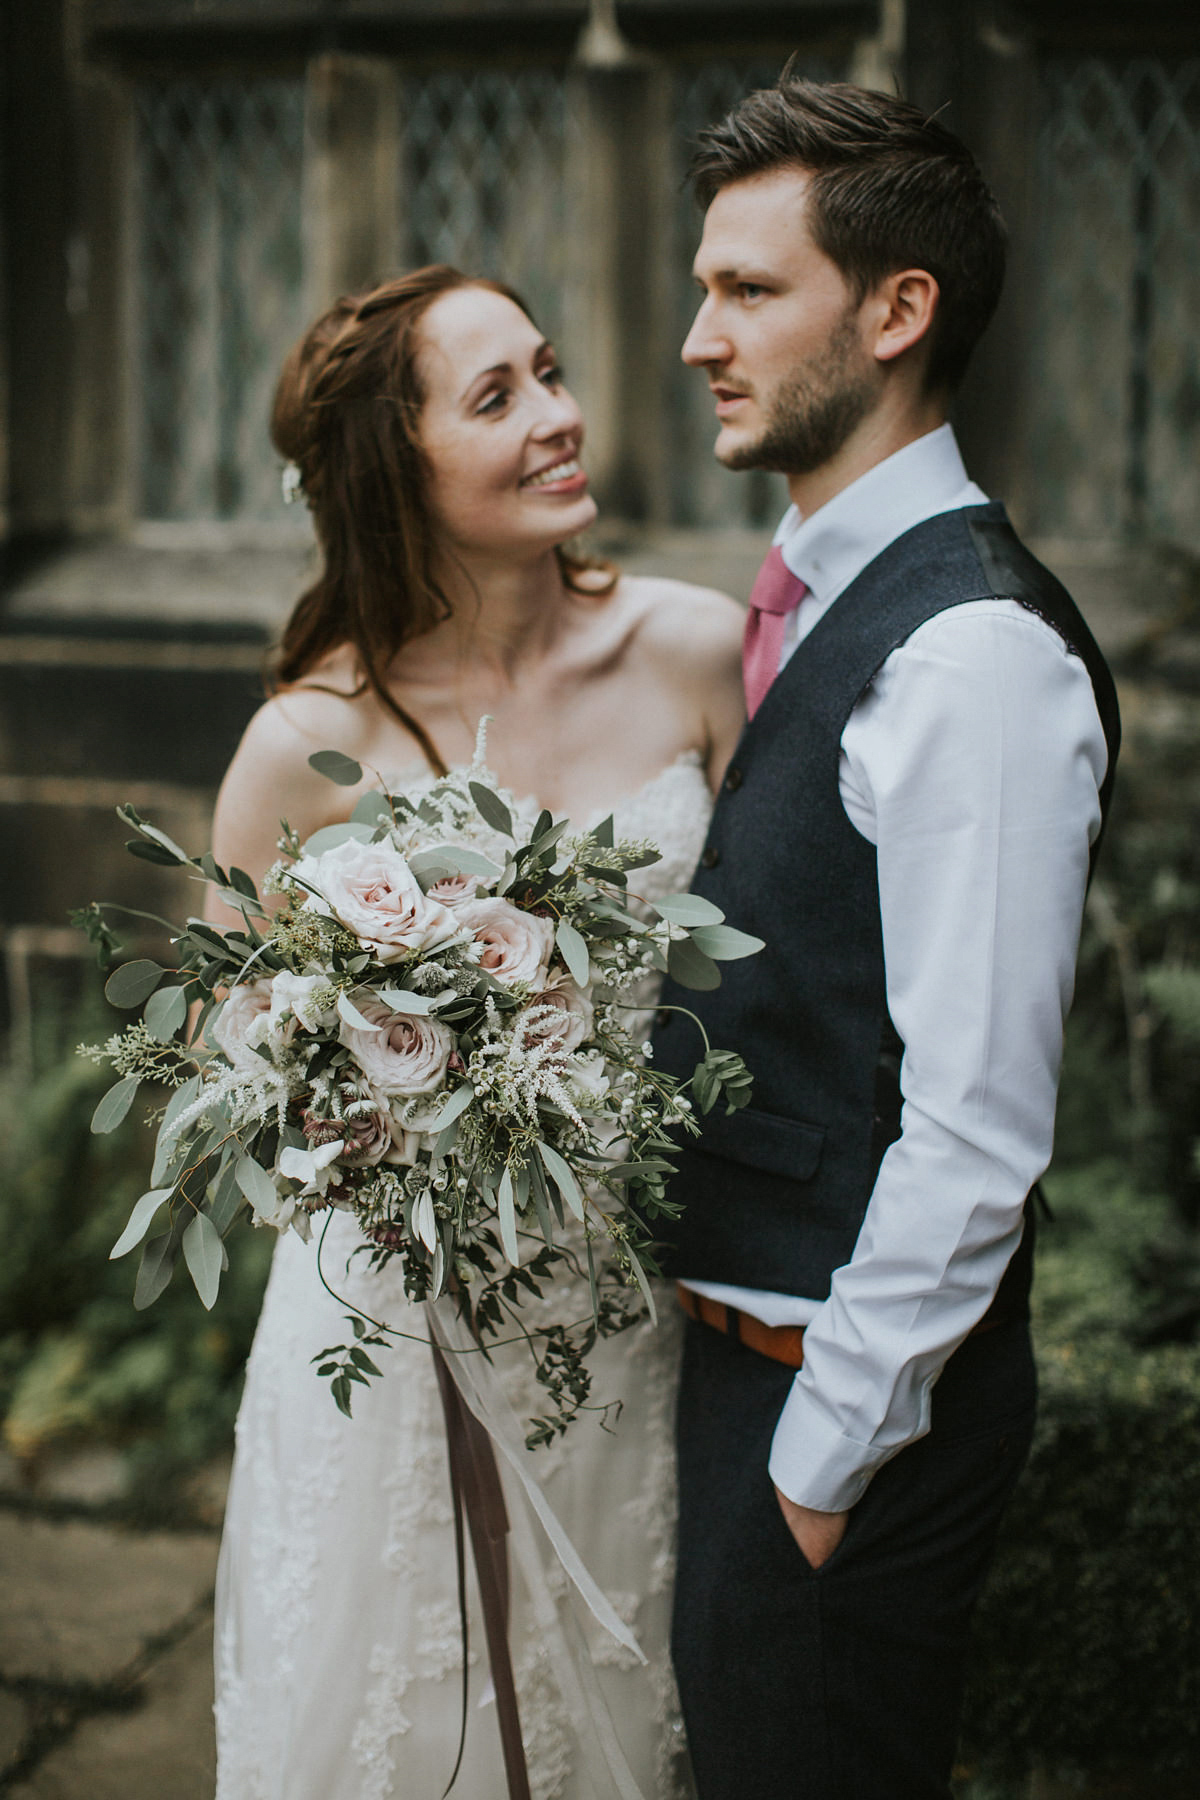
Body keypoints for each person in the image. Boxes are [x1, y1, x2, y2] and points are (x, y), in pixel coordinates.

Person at [209, 265, 745, 1799]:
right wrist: (381, 1076)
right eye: (498, 397)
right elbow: (246, 1072)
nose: (563, 418)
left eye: (552, 371)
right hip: (392, 1328)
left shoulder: (697, 653)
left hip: (625, 1315)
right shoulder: (303, 742)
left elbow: (784, 976)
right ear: (397, 465)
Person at [649, 79, 1121, 1799]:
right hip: (745, 1373)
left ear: (897, 309)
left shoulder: (972, 653)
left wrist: (814, 1477)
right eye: (705, 288)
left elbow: (978, 1129)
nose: (697, 336)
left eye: (749, 291)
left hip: (837, 1407)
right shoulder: (824, 594)